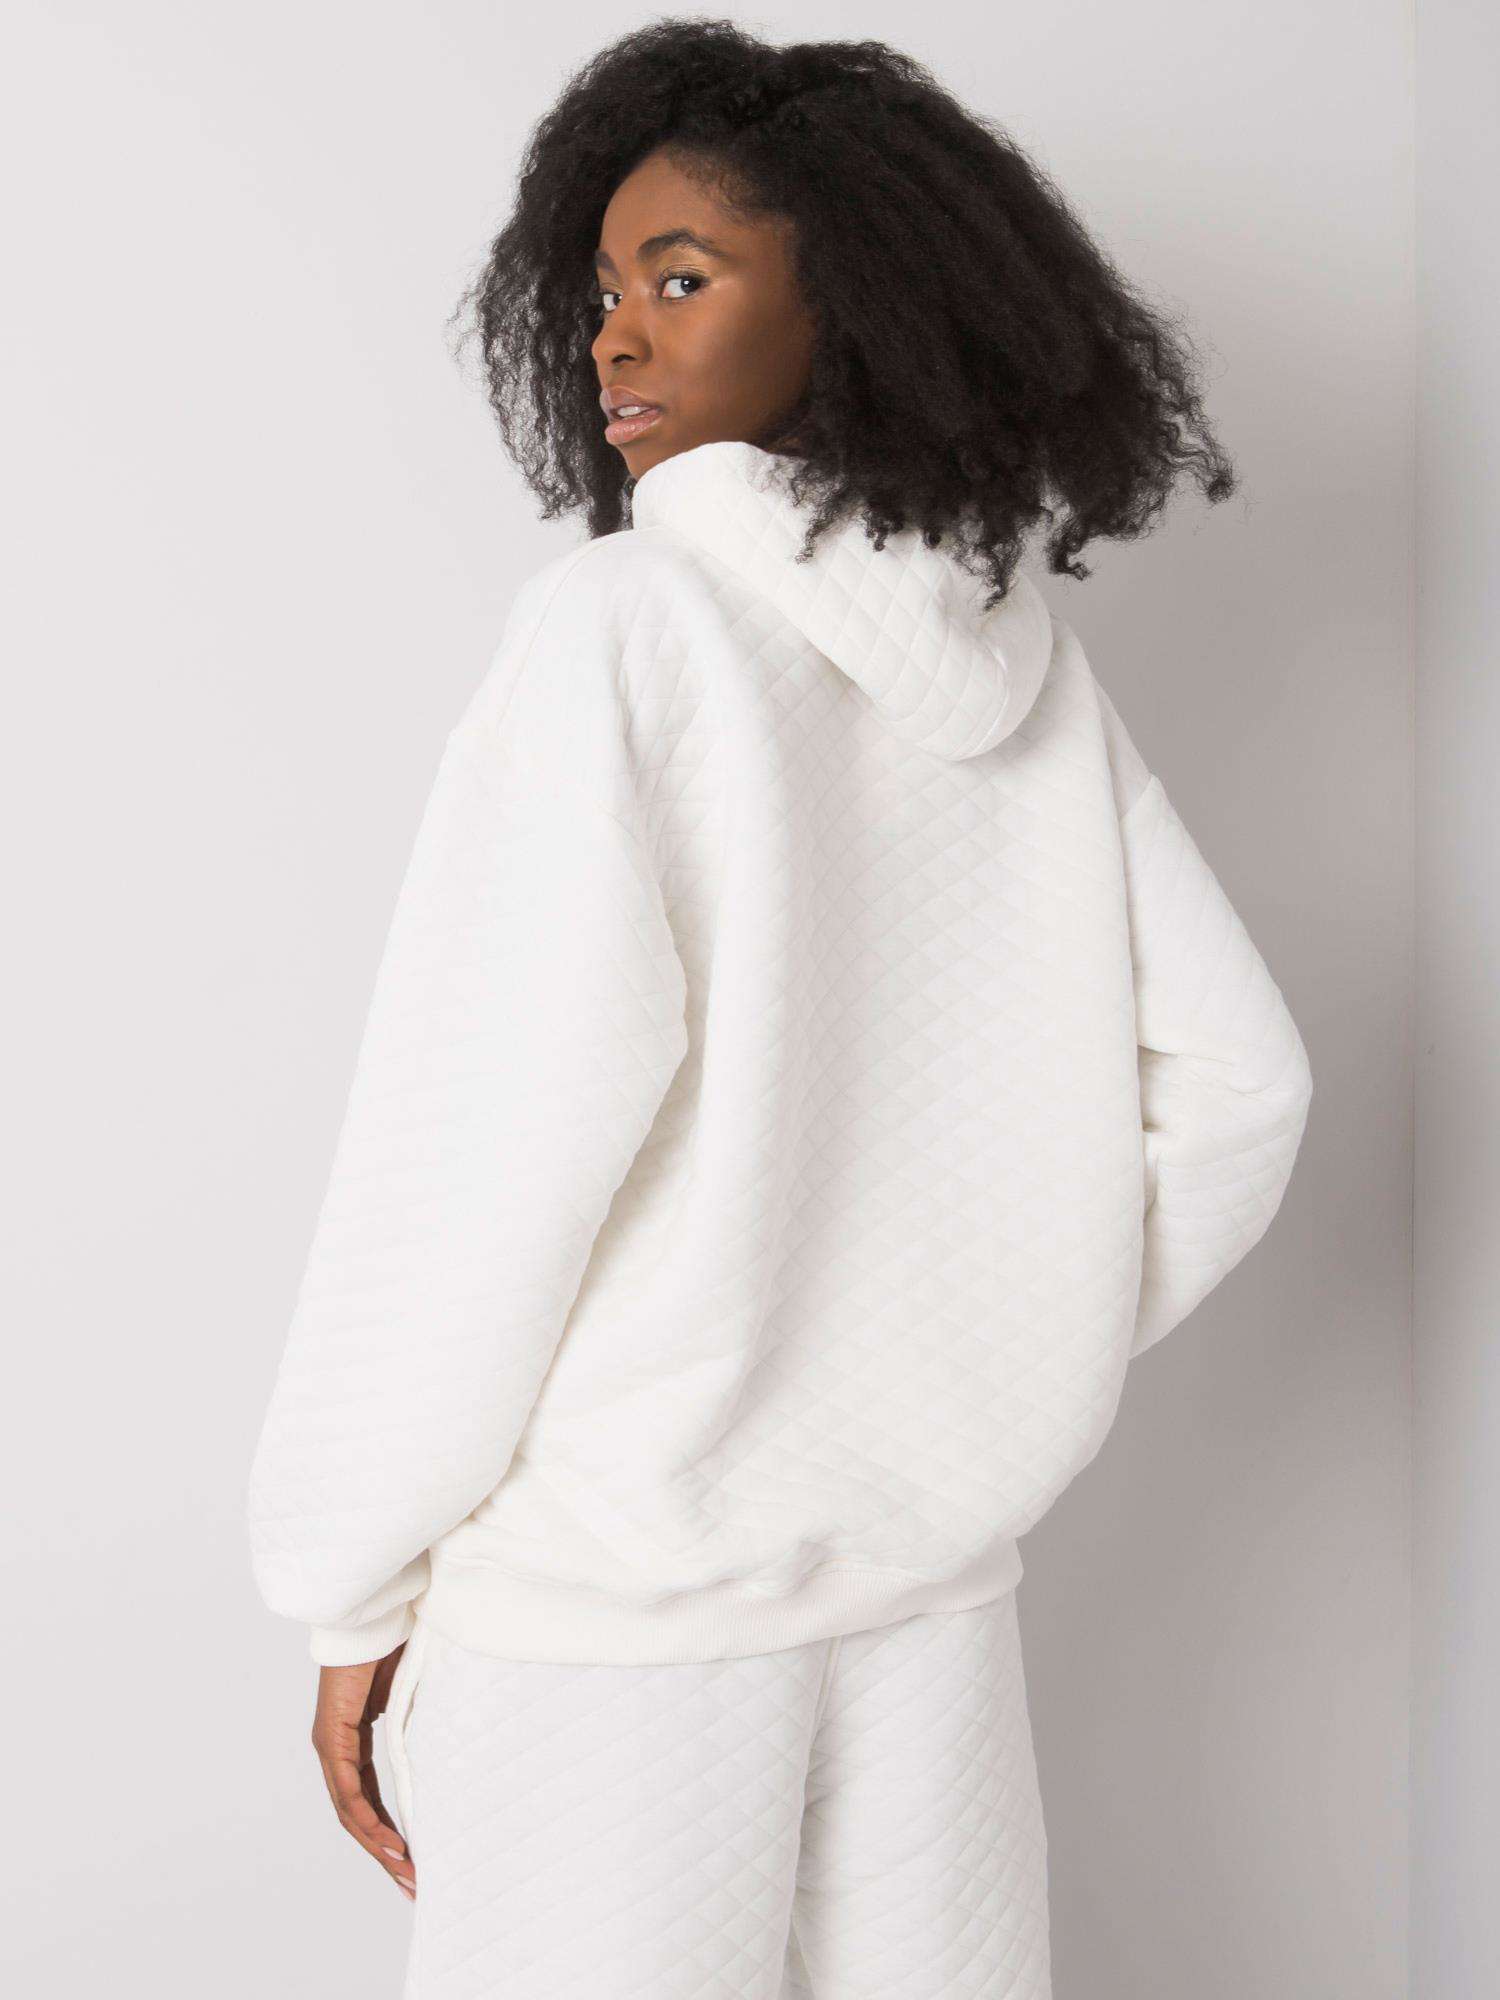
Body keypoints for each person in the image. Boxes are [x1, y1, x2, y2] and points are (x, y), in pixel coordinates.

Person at [246, 22, 1314, 1998]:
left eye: (682, 277)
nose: (614, 339)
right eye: (602, 290)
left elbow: (483, 1153)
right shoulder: (1019, 665)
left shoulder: (623, 633)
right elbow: (1242, 1087)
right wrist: (966, 1361)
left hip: (619, 1616)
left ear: (856, 306)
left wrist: (346, 1576)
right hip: (926, 1596)